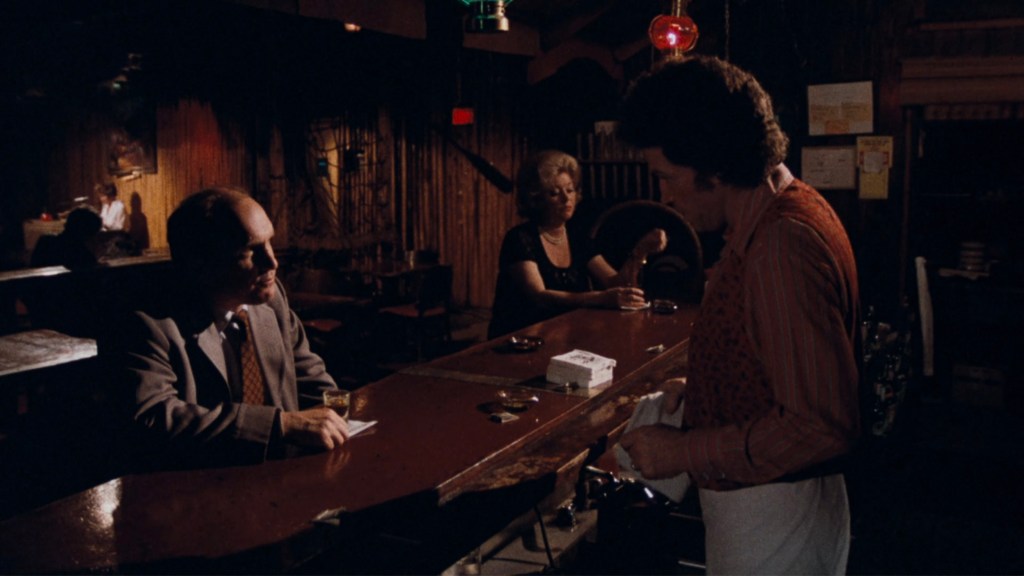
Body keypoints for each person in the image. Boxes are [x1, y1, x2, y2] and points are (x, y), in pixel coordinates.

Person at [616, 56, 861, 575]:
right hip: (779, 506)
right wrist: (707, 380)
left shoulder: (780, 245)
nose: (665, 195)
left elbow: (818, 427)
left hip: (776, 513)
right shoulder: (782, 209)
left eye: (668, 176)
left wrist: (682, 452)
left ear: (714, 166)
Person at [105, 186, 349, 471]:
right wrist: (277, 427)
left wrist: (340, 412)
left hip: (279, 479)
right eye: (250, 251)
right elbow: (152, 417)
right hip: (193, 489)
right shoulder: (146, 322)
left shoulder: (270, 300)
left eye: (270, 243)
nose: (271, 262)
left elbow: (311, 378)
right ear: (200, 265)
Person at [488, 150, 666, 339]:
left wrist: (640, 252)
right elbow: (539, 296)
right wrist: (599, 298)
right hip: (519, 339)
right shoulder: (519, 238)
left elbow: (615, 282)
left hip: (563, 334)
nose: (566, 199)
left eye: (570, 190)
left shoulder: (576, 236)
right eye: (554, 193)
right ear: (536, 199)